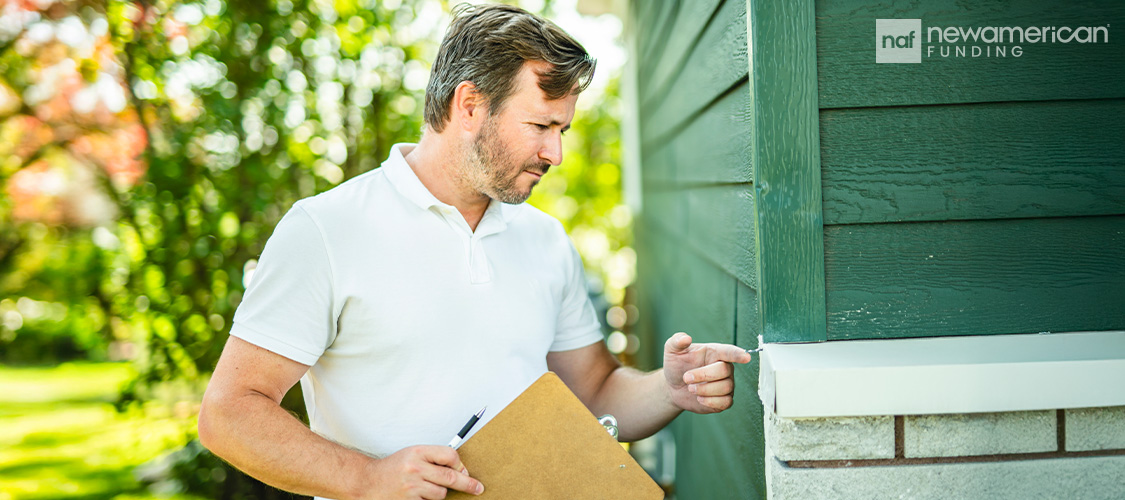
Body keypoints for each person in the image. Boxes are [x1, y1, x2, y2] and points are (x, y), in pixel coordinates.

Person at [197, 4, 752, 500]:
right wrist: (367, 479)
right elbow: (229, 413)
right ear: (469, 105)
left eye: (562, 129)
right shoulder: (326, 229)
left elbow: (594, 395)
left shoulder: (544, 240)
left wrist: (668, 388)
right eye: (540, 125)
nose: (555, 152)